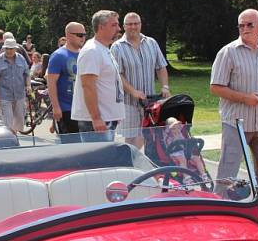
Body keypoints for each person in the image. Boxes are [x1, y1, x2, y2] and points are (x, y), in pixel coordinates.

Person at [210, 9, 258, 179]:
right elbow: (215, 87)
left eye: (249, 24)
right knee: (228, 172)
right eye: (241, 25)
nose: (245, 28)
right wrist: (245, 98)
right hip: (236, 123)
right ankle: (221, 203)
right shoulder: (228, 52)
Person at [111, 12, 170, 148]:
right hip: (128, 102)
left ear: (141, 25)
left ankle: (139, 162)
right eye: (129, 24)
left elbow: (161, 67)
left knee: (147, 135)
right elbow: (118, 74)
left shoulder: (151, 43)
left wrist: (165, 87)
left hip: (150, 101)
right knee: (131, 138)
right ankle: (130, 164)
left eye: (136, 24)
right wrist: (133, 91)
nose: (133, 27)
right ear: (124, 26)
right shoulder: (117, 47)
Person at [71, 10, 125, 142]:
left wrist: (114, 112)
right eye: (114, 25)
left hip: (106, 118)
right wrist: (96, 118)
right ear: (101, 27)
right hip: (96, 122)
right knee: (98, 161)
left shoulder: (103, 49)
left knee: (105, 160)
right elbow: (88, 86)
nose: (119, 29)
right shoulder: (92, 51)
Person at [47, 22, 85, 142]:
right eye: (79, 35)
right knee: (71, 145)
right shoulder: (58, 55)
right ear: (68, 35)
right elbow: (51, 82)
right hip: (66, 108)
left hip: (83, 107)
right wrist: (56, 107)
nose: (83, 38)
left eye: (84, 34)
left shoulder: (85, 53)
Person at [0, 38, 30, 133]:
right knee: (8, 122)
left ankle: (14, 135)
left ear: (15, 49)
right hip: (5, 95)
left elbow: (27, 73)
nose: (9, 50)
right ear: (4, 48)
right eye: (7, 48)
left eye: (11, 48)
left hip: (20, 94)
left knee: (19, 121)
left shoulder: (21, 58)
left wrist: (28, 86)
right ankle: (11, 140)